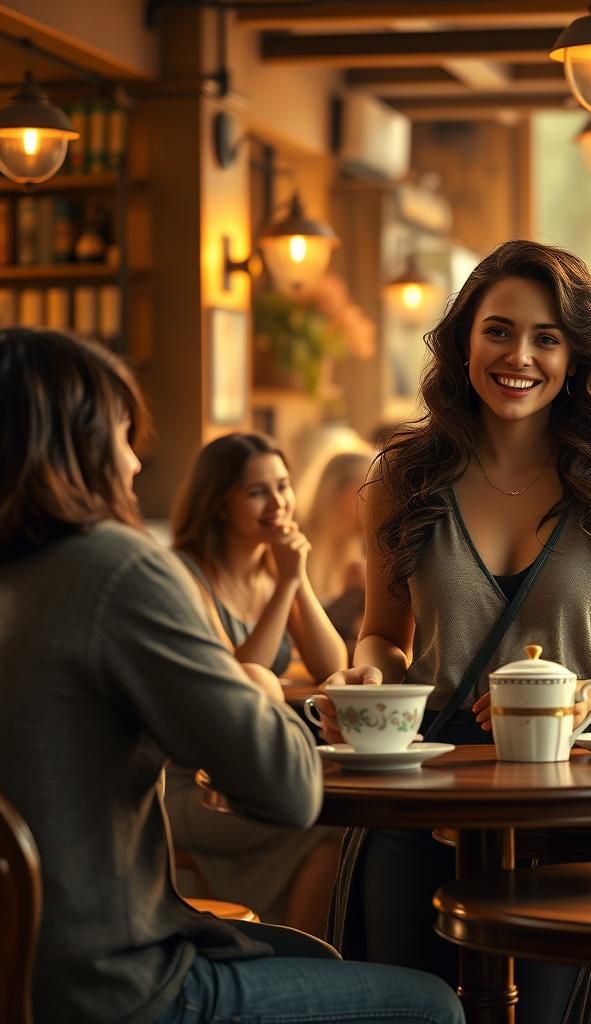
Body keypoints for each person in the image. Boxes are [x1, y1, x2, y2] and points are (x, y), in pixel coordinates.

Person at [0, 328, 464, 1024]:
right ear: (76, 443)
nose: (133, 461)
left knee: (315, 960)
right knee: (430, 1005)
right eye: (124, 434)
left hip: (23, 972)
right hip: (111, 985)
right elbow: (285, 787)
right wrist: (260, 689)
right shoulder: (117, 569)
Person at [327, 239, 591, 1024]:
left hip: (559, 802)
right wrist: (369, 675)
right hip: (419, 795)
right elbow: (382, 637)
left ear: (576, 355)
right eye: (498, 330)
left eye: (546, 338)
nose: (518, 356)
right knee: (404, 1008)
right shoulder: (402, 476)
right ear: (464, 342)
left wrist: (588, 696)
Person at [164, 433, 348, 934]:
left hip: (257, 774)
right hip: (195, 785)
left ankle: (299, 956)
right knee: (323, 835)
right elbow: (235, 685)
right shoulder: (186, 576)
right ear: (219, 503)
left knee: (343, 833)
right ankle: (303, 960)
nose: (278, 503)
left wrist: (297, 577)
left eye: (283, 486)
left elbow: (333, 665)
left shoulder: (274, 572)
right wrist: (287, 582)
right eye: (256, 492)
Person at [298, 449, 372, 657]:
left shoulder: (366, 548)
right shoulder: (296, 545)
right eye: (368, 488)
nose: (379, 498)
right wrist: (352, 595)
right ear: (339, 491)